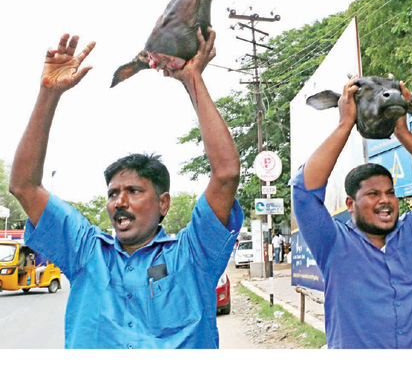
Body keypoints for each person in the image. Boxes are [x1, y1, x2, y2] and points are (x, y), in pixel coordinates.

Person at [9, 30, 242, 349]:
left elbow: (226, 174)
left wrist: (192, 80)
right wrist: (48, 94)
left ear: (163, 203)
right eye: (112, 193)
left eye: (133, 191)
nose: (119, 202)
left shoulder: (192, 256)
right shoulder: (86, 252)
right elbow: (23, 186)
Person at [290, 79, 412, 348]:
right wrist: (345, 124)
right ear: (350, 204)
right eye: (373, 194)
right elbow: (304, 193)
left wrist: (403, 133)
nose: (385, 201)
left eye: (390, 192)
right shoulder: (331, 243)